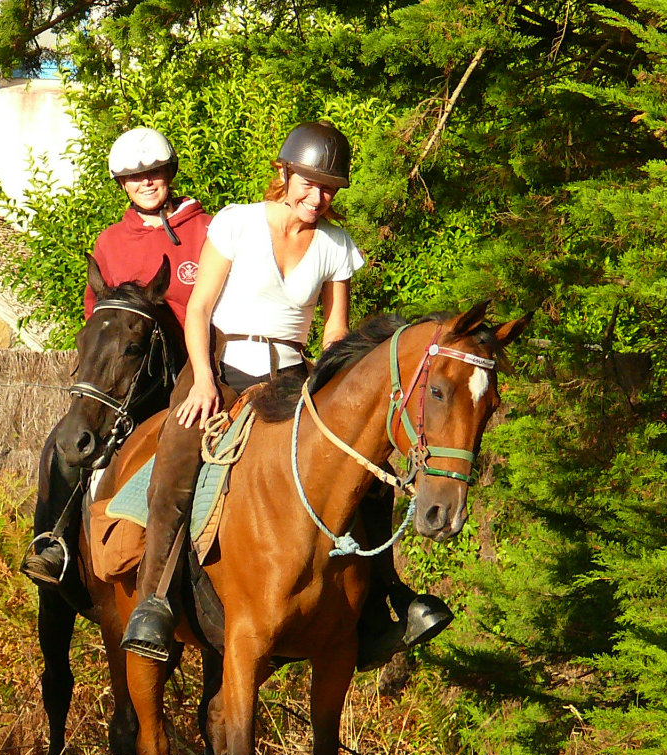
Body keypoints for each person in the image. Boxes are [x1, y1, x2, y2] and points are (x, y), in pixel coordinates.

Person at [119, 122, 450, 662]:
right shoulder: (237, 224)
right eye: (309, 184)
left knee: (365, 466)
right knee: (176, 461)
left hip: (292, 379)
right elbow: (199, 308)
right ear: (285, 174)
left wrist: (334, 391)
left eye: (329, 189)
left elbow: (335, 331)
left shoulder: (336, 245)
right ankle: (153, 604)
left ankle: (383, 601)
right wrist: (202, 378)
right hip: (221, 368)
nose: (318, 198)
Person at [24, 127, 207, 585]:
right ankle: (55, 541)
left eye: (154, 173)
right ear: (122, 185)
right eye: (134, 177)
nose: (146, 183)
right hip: (125, 383)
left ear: (170, 174)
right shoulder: (109, 243)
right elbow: (97, 320)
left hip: (193, 373)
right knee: (67, 446)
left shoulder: (207, 231)